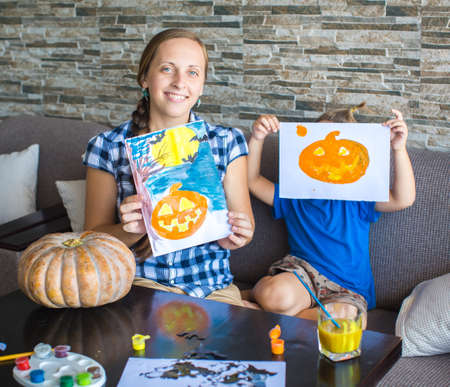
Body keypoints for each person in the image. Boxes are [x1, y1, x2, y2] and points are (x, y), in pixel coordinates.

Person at [83, 29, 254, 306]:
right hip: (137, 288)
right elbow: (91, 239)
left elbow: (243, 227)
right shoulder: (107, 146)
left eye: (192, 73)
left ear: (202, 86)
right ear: (144, 78)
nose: (179, 82)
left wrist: (236, 236)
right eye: (167, 69)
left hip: (212, 291)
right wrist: (132, 229)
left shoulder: (227, 142)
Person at [244, 103, 416, 326]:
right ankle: (263, 301)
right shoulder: (295, 193)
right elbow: (251, 181)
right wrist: (257, 138)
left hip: (347, 287)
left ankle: (259, 313)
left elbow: (403, 199)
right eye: (320, 145)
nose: (330, 157)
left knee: (350, 322)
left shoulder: (360, 196)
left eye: (340, 149)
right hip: (302, 275)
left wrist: (398, 149)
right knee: (276, 296)